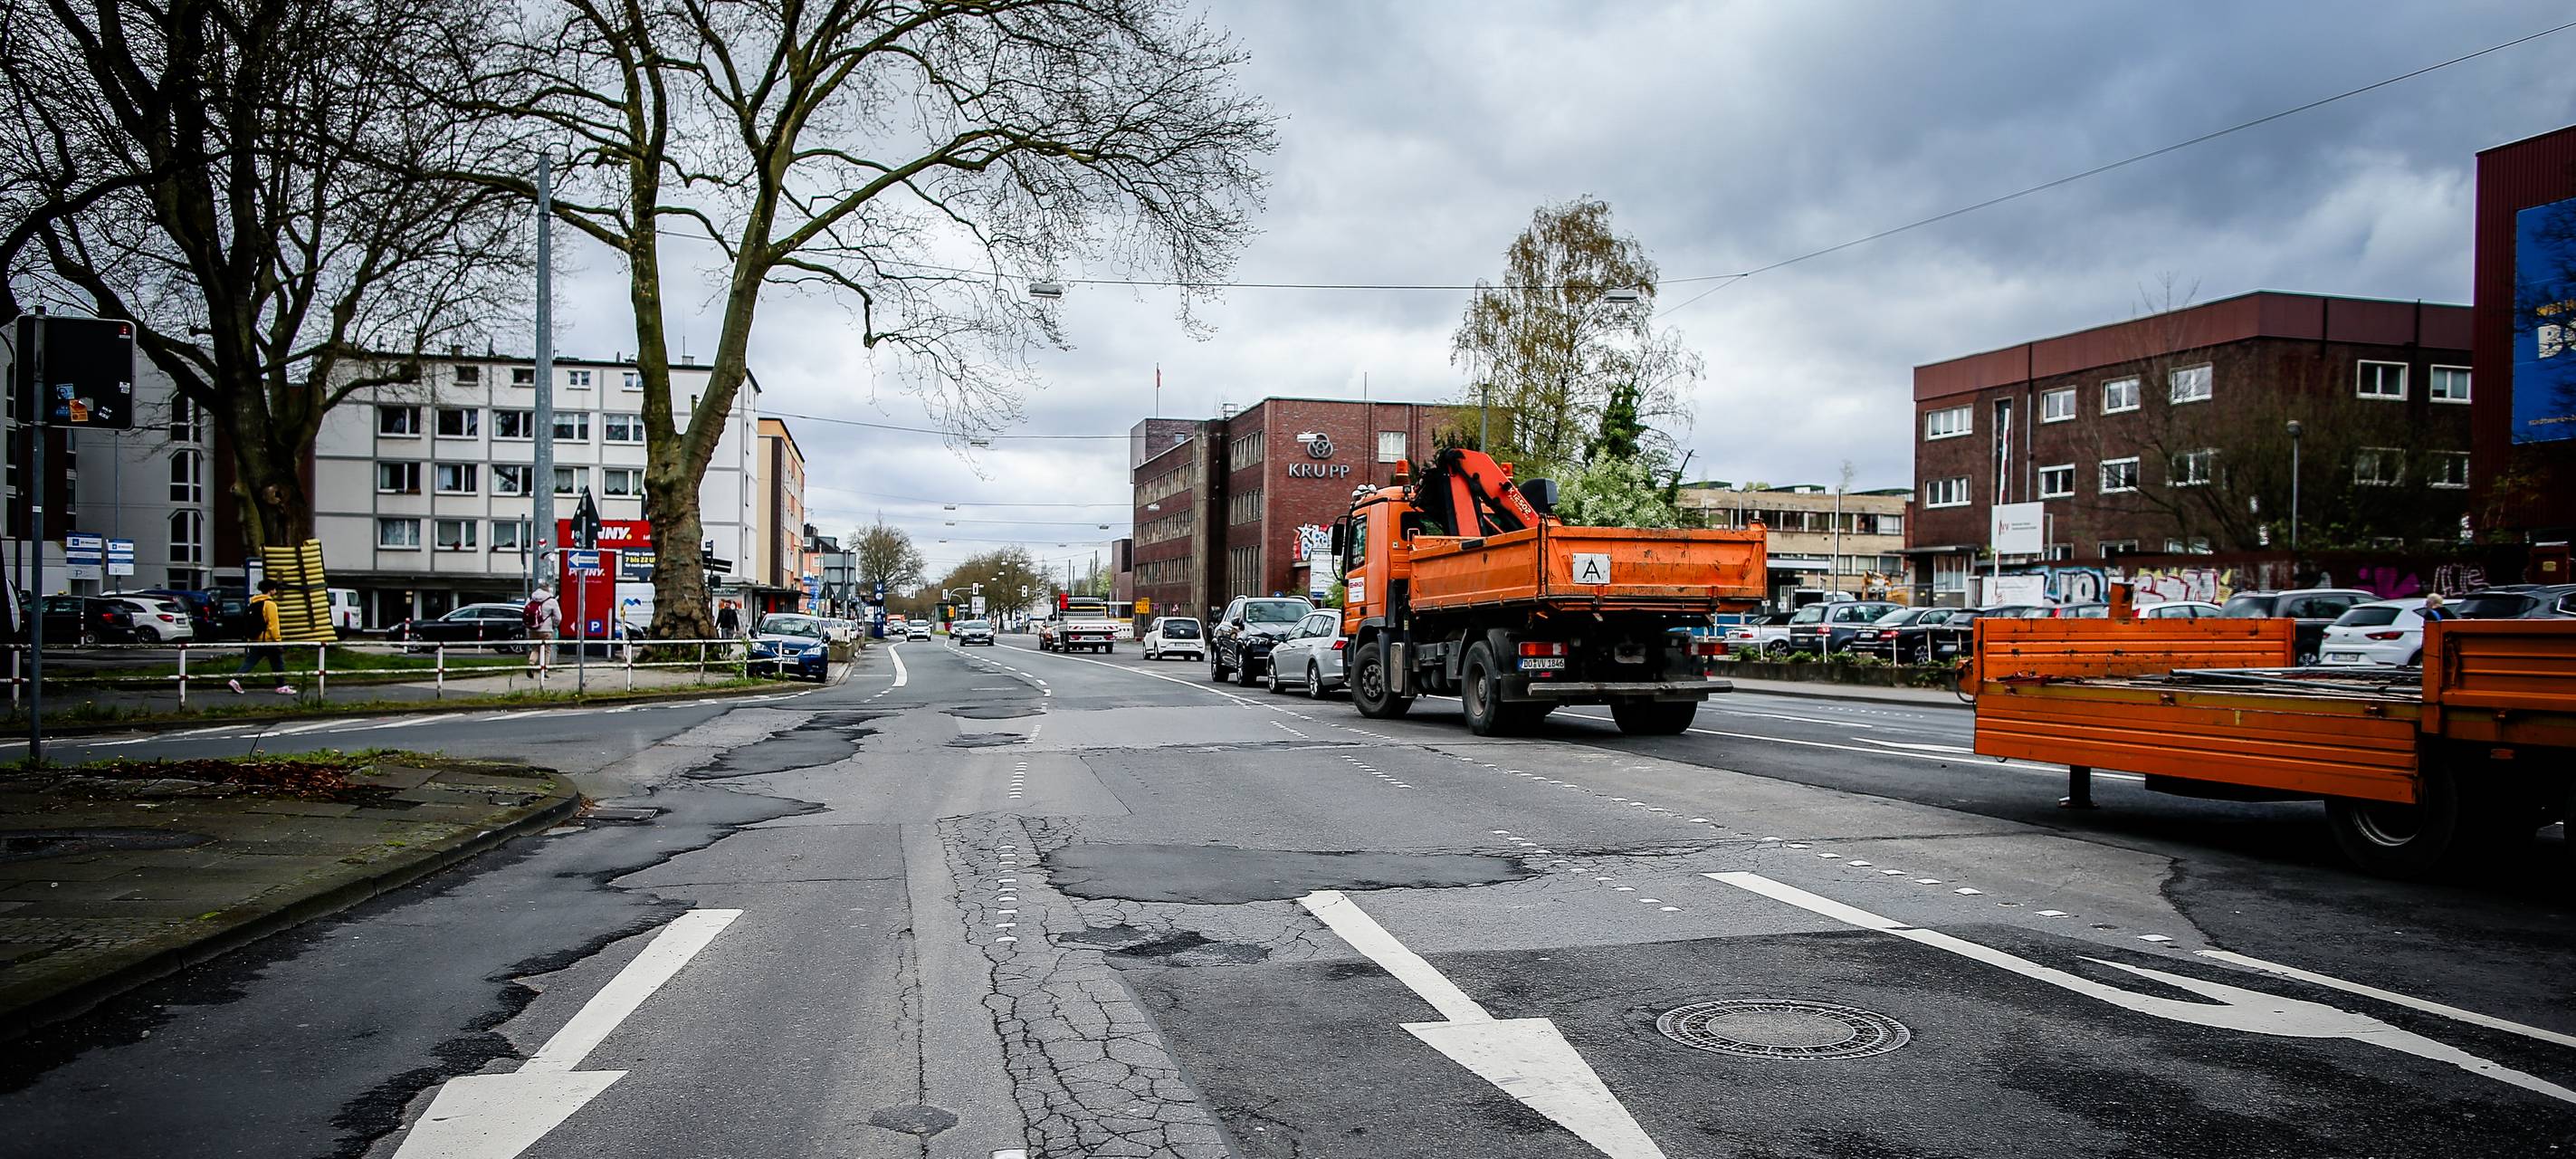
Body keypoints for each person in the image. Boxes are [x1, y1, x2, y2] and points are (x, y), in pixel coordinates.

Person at [228, 580, 295, 694]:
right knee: (278, 663)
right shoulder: (270, 605)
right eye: (274, 588)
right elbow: (273, 626)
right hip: (268, 640)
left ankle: (235, 680)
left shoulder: (254, 603)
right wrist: (278, 641)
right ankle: (282, 686)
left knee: (250, 661)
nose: (276, 590)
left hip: (255, 639)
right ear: (271, 590)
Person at [524, 586, 562, 671]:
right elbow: (558, 617)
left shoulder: (530, 599)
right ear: (548, 590)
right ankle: (544, 670)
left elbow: (526, 612)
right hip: (546, 629)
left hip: (532, 629)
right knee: (546, 649)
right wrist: (554, 625)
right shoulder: (552, 601)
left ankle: (531, 664)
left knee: (535, 648)